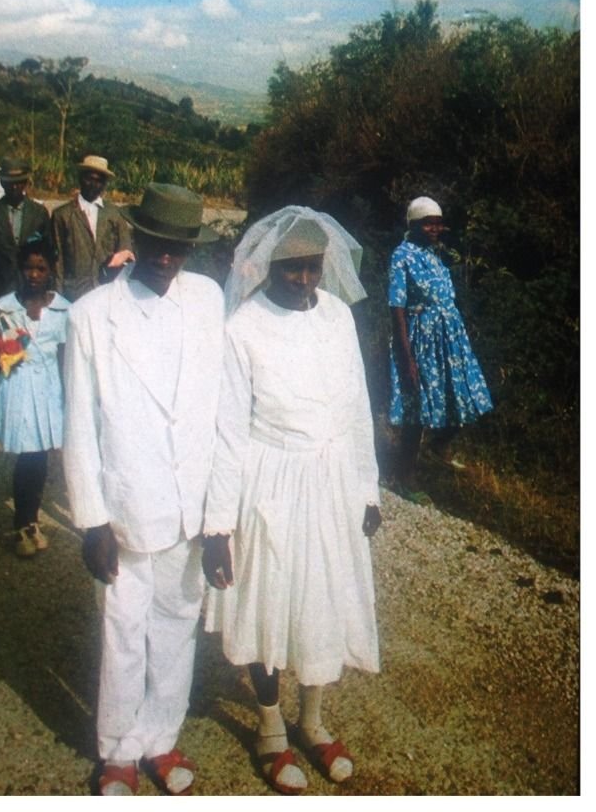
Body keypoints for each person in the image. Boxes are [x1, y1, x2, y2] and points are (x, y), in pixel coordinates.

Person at [202, 207, 381, 794]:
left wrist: (367, 487)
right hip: (270, 479)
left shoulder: (337, 317)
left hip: (330, 480)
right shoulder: (244, 327)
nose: (303, 280)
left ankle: (314, 720)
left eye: (312, 268)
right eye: (291, 269)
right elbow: (229, 431)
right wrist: (218, 526)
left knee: (320, 598)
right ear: (268, 266)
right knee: (271, 599)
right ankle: (271, 726)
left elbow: (356, 407)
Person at [62, 183, 224, 796]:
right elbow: (80, 425)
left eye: (180, 247)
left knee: (178, 622)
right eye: (157, 242)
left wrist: (219, 520)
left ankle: (161, 738)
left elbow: (221, 411)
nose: (166, 256)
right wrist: (91, 520)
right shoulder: (91, 315)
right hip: (126, 502)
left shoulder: (207, 300)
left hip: (189, 502)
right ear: (135, 235)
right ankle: (119, 749)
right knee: (124, 628)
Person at [388, 196, 493, 502]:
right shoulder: (401, 256)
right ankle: (405, 476)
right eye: (427, 223)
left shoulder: (435, 255)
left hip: (450, 340)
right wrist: (406, 357)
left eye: (438, 223)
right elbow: (397, 309)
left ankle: (439, 446)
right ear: (413, 225)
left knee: (468, 395)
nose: (434, 228)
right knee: (418, 409)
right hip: (421, 341)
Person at [0, 235, 70, 558]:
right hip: (19, 387)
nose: (34, 275)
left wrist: (67, 399)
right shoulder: (7, 308)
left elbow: (64, 358)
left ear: (50, 271)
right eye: (28, 268)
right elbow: (0, 359)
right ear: (20, 270)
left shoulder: (62, 309)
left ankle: (30, 520)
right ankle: (23, 524)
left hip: (48, 388)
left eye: (41, 268)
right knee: (27, 456)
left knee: (40, 457)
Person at [0, 157, 51, 329]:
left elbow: (48, 258)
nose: (15, 187)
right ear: (2, 183)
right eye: (10, 183)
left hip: (32, 294)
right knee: (5, 343)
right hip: (1, 293)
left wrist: (46, 298)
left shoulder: (39, 213)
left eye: (19, 182)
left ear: (26, 183)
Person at [51, 155, 134, 302]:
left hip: (106, 293)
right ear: (80, 179)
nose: (93, 184)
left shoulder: (115, 214)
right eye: (89, 178)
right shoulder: (63, 215)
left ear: (104, 184)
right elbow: (57, 262)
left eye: (99, 180)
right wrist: (58, 297)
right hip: (74, 294)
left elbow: (125, 253)